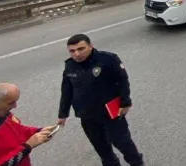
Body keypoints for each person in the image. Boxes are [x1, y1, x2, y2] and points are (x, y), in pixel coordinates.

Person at [57, 34, 144, 166]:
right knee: (102, 148)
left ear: (91, 46)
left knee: (123, 143)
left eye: (81, 49)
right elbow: (67, 90)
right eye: (72, 51)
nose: (77, 54)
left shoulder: (108, 59)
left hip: (111, 112)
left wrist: (125, 102)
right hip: (87, 116)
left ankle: (137, 162)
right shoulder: (70, 66)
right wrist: (63, 114)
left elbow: (122, 81)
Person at [0, 83, 55, 166]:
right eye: (11, 103)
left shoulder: (4, 114)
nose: (15, 106)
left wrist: (39, 132)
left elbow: (20, 130)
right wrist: (28, 146)